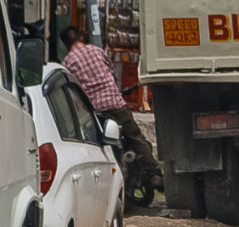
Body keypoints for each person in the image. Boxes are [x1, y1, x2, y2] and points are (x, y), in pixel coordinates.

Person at [59, 26, 163, 188]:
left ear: (66, 44)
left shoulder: (67, 62)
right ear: (80, 38)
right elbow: (113, 73)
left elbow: (74, 89)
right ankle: (154, 173)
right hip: (115, 103)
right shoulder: (96, 51)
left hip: (94, 112)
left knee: (96, 144)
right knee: (135, 137)